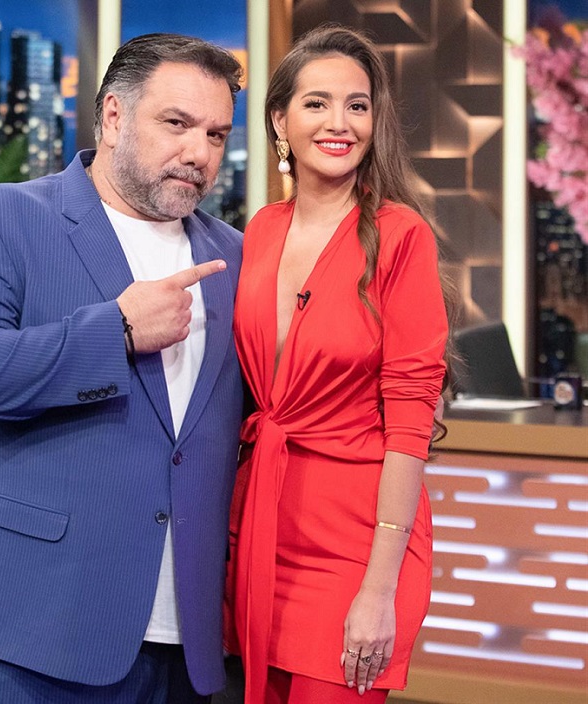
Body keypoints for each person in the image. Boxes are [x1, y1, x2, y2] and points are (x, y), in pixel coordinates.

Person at [0, 33, 245, 703]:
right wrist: (118, 330)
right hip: (24, 629)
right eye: (176, 123)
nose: (199, 152)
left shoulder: (238, 255)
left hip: (183, 644)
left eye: (216, 134)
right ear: (114, 115)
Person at [224, 24, 453, 703]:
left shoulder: (401, 236)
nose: (339, 123)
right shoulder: (259, 230)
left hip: (357, 547)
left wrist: (380, 588)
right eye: (317, 103)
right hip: (260, 522)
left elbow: (411, 422)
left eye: (357, 105)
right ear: (279, 120)